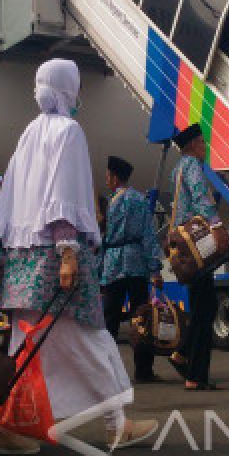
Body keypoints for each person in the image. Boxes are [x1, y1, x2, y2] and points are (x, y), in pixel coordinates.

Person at [0, 58, 157, 455]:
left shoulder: (28, 134)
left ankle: (8, 429)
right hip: (56, 260)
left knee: (27, 349)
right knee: (91, 341)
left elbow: (10, 203)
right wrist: (68, 252)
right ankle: (118, 426)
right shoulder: (68, 132)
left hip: (22, 263)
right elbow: (62, 197)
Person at [167, 122, 223, 392]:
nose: (205, 147)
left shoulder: (177, 170)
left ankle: (183, 354)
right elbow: (201, 198)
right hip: (197, 246)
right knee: (205, 308)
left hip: (184, 247)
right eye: (202, 142)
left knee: (202, 304)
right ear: (191, 146)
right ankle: (195, 374)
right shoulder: (191, 167)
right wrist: (217, 226)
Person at [99, 155, 164, 383]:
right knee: (142, 319)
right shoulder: (140, 200)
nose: (106, 179)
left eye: (108, 175)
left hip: (113, 265)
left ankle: (107, 374)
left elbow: (101, 239)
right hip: (136, 265)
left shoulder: (108, 203)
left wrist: (98, 270)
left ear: (115, 177)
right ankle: (143, 370)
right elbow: (148, 235)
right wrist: (154, 269)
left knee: (109, 321)